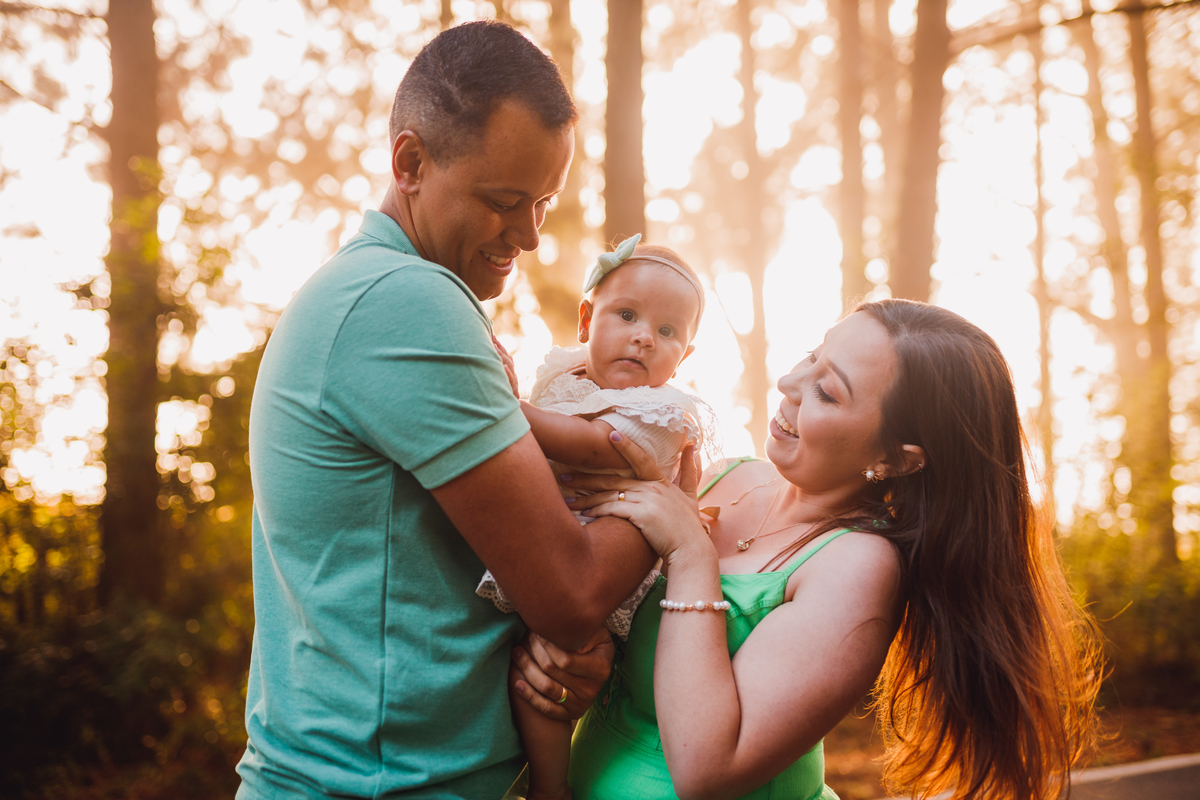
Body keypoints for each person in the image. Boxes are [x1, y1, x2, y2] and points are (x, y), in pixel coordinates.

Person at [236, 21, 661, 799]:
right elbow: (569, 593)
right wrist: (666, 500)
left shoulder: (370, 293)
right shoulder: (407, 302)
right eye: (504, 202)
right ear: (410, 163)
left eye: (543, 201)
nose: (530, 235)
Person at [512, 299, 1101, 800]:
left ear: (896, 458)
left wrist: (691, 553)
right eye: (811, 357)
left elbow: (707, 768)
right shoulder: (725, 476)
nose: (790, 384)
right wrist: (584, 671)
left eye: (826, 390)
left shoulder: (856, 566)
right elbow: (623, 636)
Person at [478, 234, 708, 800]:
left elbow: (589, 444)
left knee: (554, 665)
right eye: (626, 315)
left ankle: (552, 787)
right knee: (518, 663)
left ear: (685, 355)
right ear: (587, 320)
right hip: (544, 534)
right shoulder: (566, 379)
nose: (643, 337)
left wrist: (503, 403)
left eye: (667, 331)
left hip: (599, 558)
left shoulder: (663, 412)